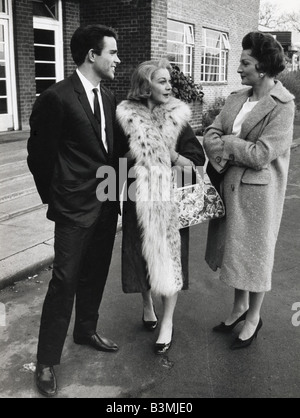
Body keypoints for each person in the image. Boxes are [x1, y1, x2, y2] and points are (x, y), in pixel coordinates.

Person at [27, 24, 126, 397]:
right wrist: (56, 198)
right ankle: (47, 361)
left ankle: (85, 330)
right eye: (112, 52)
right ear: (92, 55)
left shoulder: (110, 97)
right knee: (64, 280)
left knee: (95, 272)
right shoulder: (56, 98)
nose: (117, 59)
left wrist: (118, 196)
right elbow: (39, 156)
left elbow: (113, 153)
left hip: (105, 204)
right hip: (72, 207)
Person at [203, 32, 295, 350]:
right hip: (229, 185)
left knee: (255, 255)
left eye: (245, 62)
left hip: (259, 194)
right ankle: (239, 308)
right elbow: (211, 131)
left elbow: (261, 155)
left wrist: (227, 144)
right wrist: (223, 143)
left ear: (264, 66)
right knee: (235, 251)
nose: (239, 68)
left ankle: (253, 317)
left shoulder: (282, 105)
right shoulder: (235, 98)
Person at [116, 59, 205, 354]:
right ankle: (146, 302)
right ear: (145, 85)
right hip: (137, 198)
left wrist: (173, 155)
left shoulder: (178, 118)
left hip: (169, 205)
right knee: (140, 257)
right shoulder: (126, 116)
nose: (170, 86)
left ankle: (167, 322)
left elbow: (197, 161)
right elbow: (113, 159)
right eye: (162, 81)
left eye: (169, 81)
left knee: (171, 262)